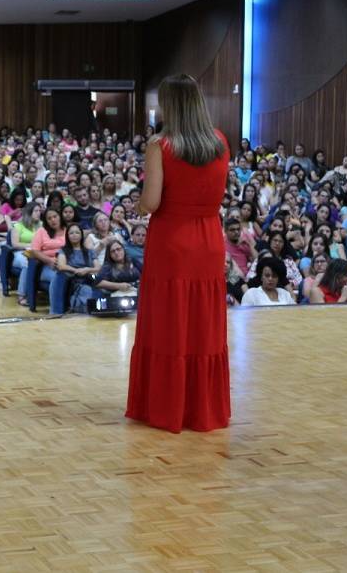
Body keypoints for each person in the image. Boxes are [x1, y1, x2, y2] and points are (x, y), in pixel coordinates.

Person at [126, 74, 231, 434]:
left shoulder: (161, 145)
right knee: (203, 325)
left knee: (170, 323)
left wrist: (138, 205)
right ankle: (201, 408)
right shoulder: (220, 142)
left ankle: (167, 406)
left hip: (172, 241)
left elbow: (152, 201)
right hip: (208, 240)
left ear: (171, 106)